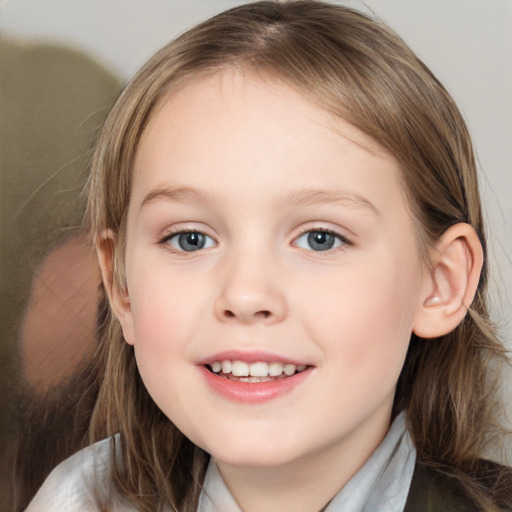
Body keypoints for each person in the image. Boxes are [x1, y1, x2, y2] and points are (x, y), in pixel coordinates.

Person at [25, 1, 512, 511]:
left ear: (440, 283)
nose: (246, 294)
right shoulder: (78, 500)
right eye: (190, 238)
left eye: (320, 238)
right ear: (121, 285)